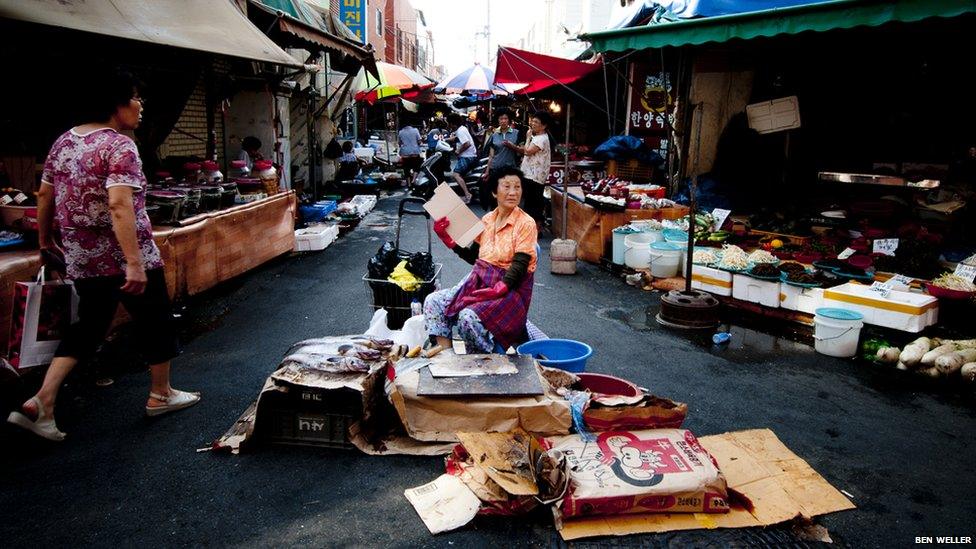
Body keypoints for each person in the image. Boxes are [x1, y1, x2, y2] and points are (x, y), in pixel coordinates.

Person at [7, 69, 200, 441]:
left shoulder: (63, 142)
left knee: (89, 326)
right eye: (134, 97)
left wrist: (45, 242)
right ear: (116, 103)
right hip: (129, 256)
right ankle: (161, 393)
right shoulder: (119, 145)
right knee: (156, 319)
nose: (140, 105)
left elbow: (44, 196)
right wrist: (132, 262)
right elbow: (119, 205)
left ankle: (42, 401)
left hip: (84, 259)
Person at [424, 166, 537, 354]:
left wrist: (500, 288)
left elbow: (520, 264)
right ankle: (446, 357)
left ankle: (485, 359)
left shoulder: (526, 223)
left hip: (511, 289)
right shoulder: (487, 220)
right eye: (506, 186)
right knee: (433, 301)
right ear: (494, 192)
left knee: (467, 317)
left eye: (517, 187)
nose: (512, 192)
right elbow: (476, 258)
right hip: (480, 281)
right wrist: (450, 242)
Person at [481, 108, 520, 209]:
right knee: (496, 196)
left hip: (510, 170)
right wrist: (487, 171)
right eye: (501, 119)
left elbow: (523, 151)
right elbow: (491, 156)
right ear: (498, 120)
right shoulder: (494, 135)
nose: (503, 121)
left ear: (509, 120)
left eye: (505, 118)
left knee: (508, 196)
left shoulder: (516, 133)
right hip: (495, 169)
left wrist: (513, 147)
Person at [447, 113, 475, 203]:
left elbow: (467, 143)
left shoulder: (460, 131)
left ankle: (467, 194)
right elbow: (457, 138)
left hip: (467, 157)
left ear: (452, 123)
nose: (448, 125)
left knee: (455, 174)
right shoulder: (462, 129)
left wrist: (458, 151)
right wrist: (446, 140)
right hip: (470, 155)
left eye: (449, 123)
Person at [397, 118, 423, 184]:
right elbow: (419, 141)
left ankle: (408, 183)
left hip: (405, 153)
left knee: (406, 168)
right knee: (416, 167)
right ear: (411, 124)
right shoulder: (415, 130)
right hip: (415, 152)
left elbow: (399, 143)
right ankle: (413, 180)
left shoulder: (400, 132)